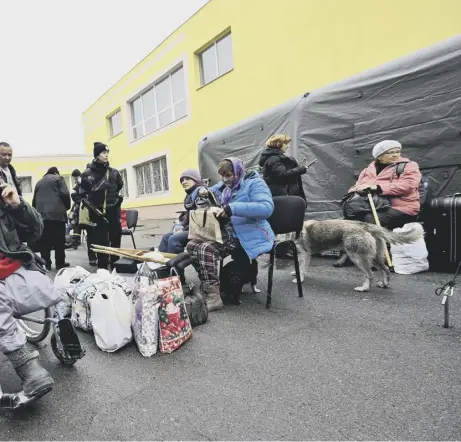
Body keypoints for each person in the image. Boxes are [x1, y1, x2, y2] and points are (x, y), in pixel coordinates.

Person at [0, 181, 63, 401]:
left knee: (49, 287)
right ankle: (26, 366)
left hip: (14, 267)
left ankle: (64, 331)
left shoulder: (4, 205)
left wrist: (17, 206)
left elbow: (36, 232)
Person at [186, 158, 274, 311]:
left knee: (207, 249)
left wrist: (233, 208)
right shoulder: (225, 186)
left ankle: (214, 299)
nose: (225, 180)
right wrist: (199, 191)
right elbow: (202, 193)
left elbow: (266, 208)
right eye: (222, 176)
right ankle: (209, 287)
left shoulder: (255, 183)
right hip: (230, 232)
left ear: (239, 171)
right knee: (192, 245)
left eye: (229, 175)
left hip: (250, 234)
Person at [334, 139, 422, 267]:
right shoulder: (368, 169)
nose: (396, 155)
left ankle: (377, 258)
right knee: (350, 220)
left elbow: (409, 185)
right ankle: (349, 253)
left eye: (398, 152)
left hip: (402, 207)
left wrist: (378, 187)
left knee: (369, 219)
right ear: (380, 156)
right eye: (390, 152)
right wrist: (356, 190)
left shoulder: (409, 166)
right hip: (373, 205)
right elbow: (357, 185)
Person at [80, 142, 124, 269]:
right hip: (97, 213)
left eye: (107, 153)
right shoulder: (88, 174)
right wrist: (92, 208)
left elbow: (119, 187)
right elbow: (82, 195)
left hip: (113, 211)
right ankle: (103, 269)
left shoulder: (114, 172)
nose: (106, 155)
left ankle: (116, 266)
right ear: (97, 155)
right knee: (101, 243)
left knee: (115, 239)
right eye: (103, 153)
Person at [158, 169, 206, 254]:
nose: (184, 182)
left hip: (202, 231)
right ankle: (165, 265)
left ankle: (176, 265)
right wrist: (180, 225)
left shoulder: (202, 193)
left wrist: (184, 228)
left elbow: (202, 219)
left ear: (196, 180)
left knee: (174, 239)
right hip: (192, 228)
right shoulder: (190, 194)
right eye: (182, 180)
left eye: (188, 179)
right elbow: (189, 214)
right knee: (166, 237)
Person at [32, 167, 71, 271]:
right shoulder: (58, 178)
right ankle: (60, 263)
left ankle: (46, 263)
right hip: (57, 215)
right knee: (59, 240)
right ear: (56, 172)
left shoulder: (39, 182)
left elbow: (34, 200)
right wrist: (66, 207)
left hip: (42, 216)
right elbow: (66, 194)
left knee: (45, 241)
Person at [258, 133, 307, 200]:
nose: (288, 146)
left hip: (284, 197)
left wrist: (297, 167)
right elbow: (283, 176)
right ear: (278, 144)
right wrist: (300, 169)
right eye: (286, 144)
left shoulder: (275, 158)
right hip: (284, 198)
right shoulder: (274, 159)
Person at [70, 169, 98, 266]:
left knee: (99, 236)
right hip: (87, 213)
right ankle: (92, 257)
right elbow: (73, 195)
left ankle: (100, 256)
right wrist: (82, 202)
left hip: (97, 211)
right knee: (91, 235)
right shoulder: (79, 185)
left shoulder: (95, 181)